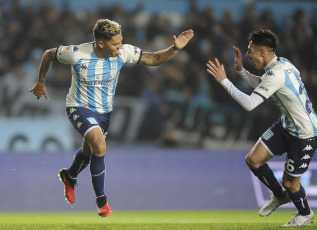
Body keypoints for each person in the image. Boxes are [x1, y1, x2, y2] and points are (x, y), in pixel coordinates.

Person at [29, 18, 194, 217]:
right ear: (101, 43)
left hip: (104, 113)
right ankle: (102, 201)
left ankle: (69, 175)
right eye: (115, 44)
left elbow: (154, 59)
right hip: (78, 107)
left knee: (89, 152)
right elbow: (48, 55)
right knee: (99, 144)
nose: (120, 47)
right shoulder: (76, 54)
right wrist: (40, 82)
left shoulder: (123, 52)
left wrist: (174, 49)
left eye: (120, 42)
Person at [206, 29, 317, 227]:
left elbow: (249, 103)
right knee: (253, 160)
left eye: (250, 51)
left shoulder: (277, 73)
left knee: (290, 183)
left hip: (304, 133)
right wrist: (241, 72)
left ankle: (305, 214)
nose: (247, 55)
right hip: (286, 125)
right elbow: (263, 83)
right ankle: (279, 196)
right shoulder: (282, 65)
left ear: (262, 52)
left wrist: (224, 81)